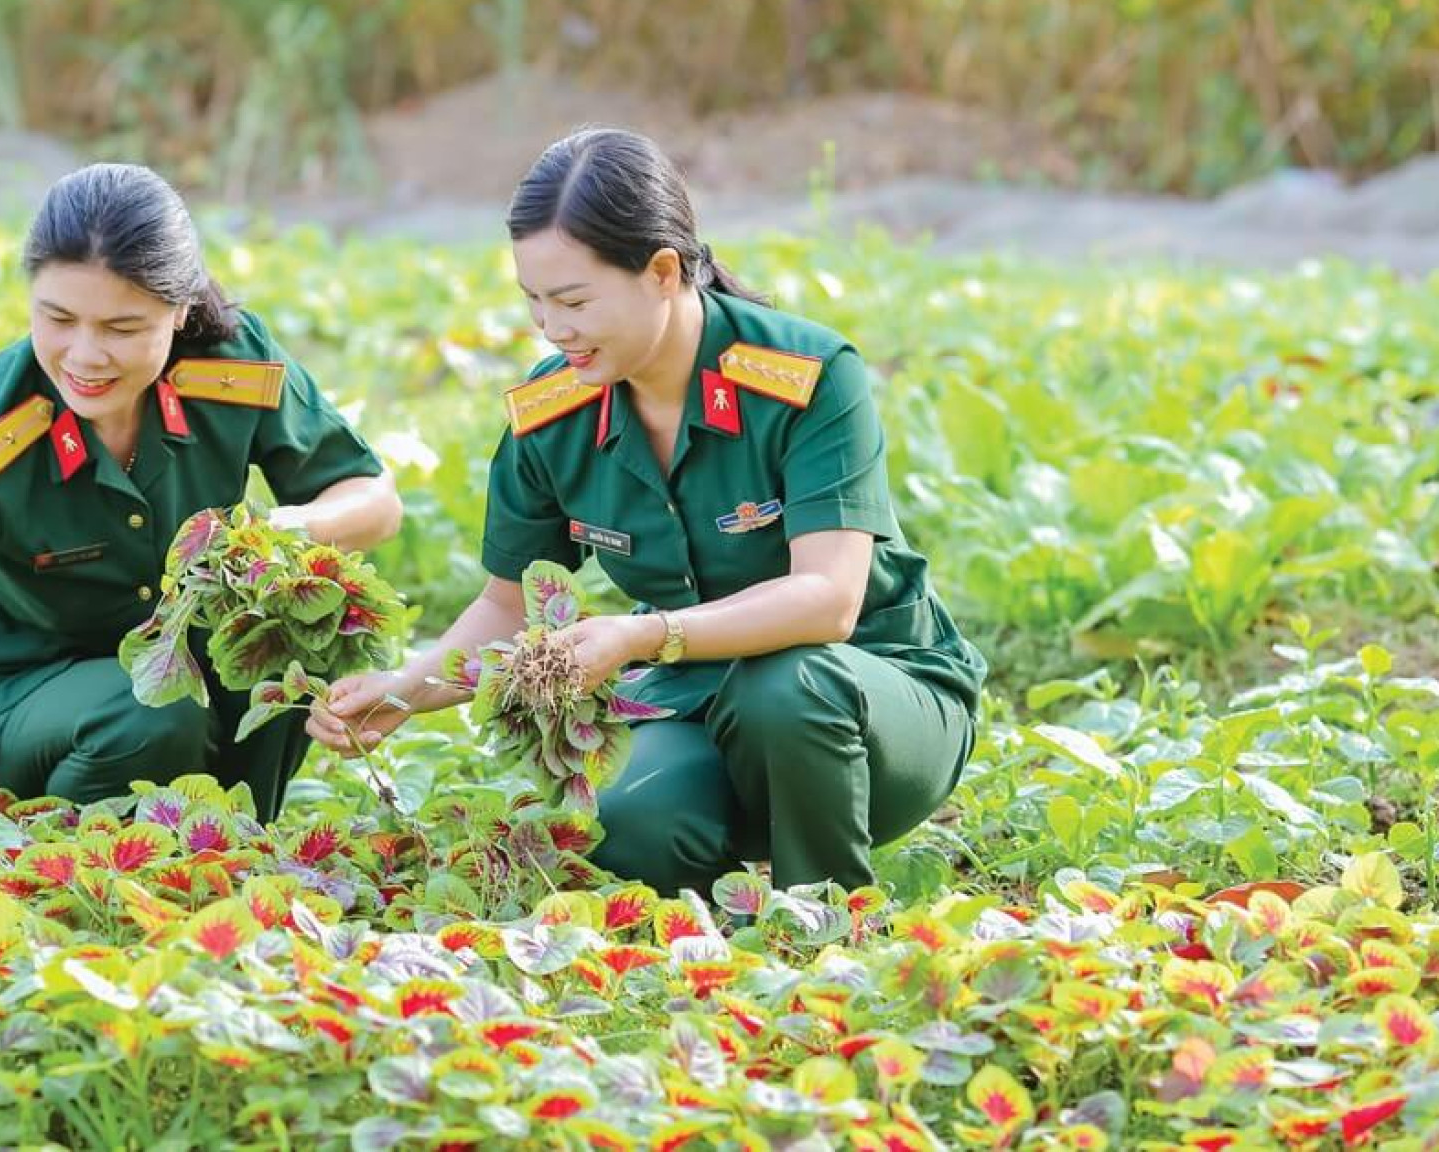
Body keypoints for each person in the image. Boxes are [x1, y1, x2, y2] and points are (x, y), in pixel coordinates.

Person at [310, 128, 984, 893]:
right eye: (533, 301)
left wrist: (642, 635)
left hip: (875, 704)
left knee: (788, 686)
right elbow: (507, 604)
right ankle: (711, 931)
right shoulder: (553, 414)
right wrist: (402, 690)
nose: (551, 328)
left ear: (663, 271)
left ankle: (826, 925)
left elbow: (828, 601)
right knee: (618, 818)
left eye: (573, 300)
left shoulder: (806, 378)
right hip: (698, 703)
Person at [0, 163, 401, 814]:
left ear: (181, 309)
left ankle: (239, 836)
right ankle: (60, 856)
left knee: (291, 633)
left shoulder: (234, 366)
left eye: (122, 329)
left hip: (171, 674)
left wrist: (277, 535)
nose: (84, 356)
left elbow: (373, 499)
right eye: (59, 319)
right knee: (152, 715)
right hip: (14, 697)